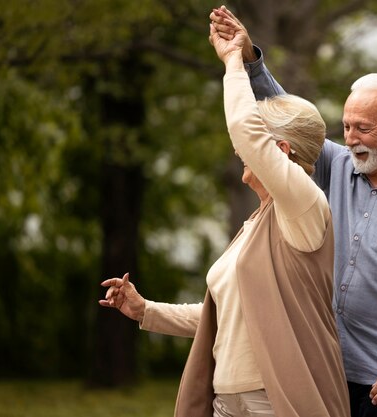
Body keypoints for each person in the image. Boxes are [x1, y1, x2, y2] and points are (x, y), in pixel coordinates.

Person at [210, 6, 377, 417]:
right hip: (322, 371)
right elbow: (287, 123)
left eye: (364, 129)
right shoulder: (337, 165)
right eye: (347, 127)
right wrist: (248, 60)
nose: (352, 139)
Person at [99, 16, 350, 417]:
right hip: (227, 401)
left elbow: (244, 128)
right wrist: (145, 310)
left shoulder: (304, 205)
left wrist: (234, 60)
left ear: (281, 153)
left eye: (256, 146)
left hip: (277, 401)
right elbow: (229, 313)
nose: (240, 151)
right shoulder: (256, 223)